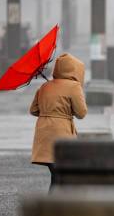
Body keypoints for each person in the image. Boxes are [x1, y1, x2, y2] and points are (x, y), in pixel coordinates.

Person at [29, 53, 87, 189]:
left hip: (43, 134)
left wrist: (49, 111)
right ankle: (53, 206)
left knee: (57, 174)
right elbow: (81, 113)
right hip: (61, 133)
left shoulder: (44, 87)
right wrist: (65, 111)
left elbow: (33, 110)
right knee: (61, 175)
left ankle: (56, 205)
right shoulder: (74, 86)